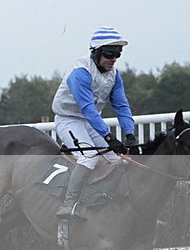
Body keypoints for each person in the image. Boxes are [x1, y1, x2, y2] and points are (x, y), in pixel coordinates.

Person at [52, 26, 138, 219]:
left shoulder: (115, 76)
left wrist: (129, 134)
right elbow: (88, 109)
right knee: (89, 157)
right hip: (69, 120)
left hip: (90, 123)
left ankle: (108, 199)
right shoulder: (80, 73)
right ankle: (68, 205)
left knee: (119, 160)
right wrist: (109, 137)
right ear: (96, 53)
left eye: (118, 54)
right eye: (109, 54)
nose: (113, 59)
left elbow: (122, 106)